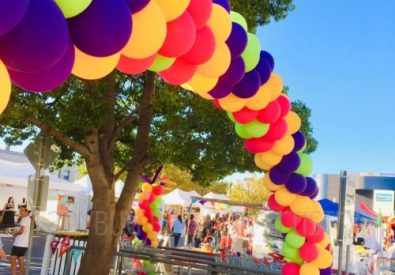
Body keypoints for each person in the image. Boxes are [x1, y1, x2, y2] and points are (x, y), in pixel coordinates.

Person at [10, 206, 31, 275]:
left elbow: (22, 231)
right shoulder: (28, 219)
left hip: (19, 243)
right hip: (24, 243)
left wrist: (14, 234)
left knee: (12, 259)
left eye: (22, 210)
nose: (20, 212)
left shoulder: (24, 219)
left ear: (26, 211)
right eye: (20, 210)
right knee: (20, 258)